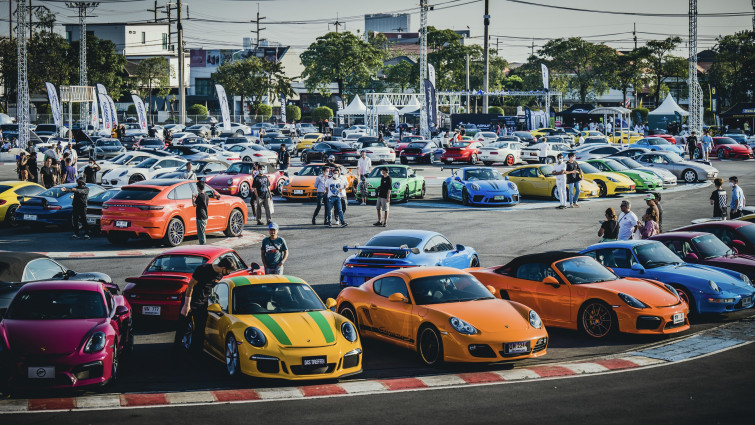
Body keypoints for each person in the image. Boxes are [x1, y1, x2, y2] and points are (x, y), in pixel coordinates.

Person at [175, 257, 235, 356]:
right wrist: (186, 305)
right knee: (182, 329)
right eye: (228, 271)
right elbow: (190, 286)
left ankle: (195, 355)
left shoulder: (220, 275)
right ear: (223, 267)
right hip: (190, 301)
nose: (228, 273)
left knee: (200, 331)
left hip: (203, 304)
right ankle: (175, 354)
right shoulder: (202, 269)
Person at [194, 180, 209, 245]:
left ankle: (203, 246)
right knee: (202, 232)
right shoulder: (206, 195)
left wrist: (192, 198)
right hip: (204, 215)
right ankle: (203, 245)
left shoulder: (200, 196)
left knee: (200, 233)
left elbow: (194, 204)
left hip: (200, 216)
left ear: (198, 188)